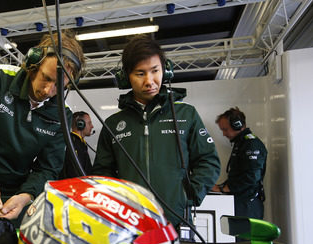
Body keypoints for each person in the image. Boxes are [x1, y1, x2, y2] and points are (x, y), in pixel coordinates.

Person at [92, 35, 220, 228]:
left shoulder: (186, 114)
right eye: (140, 73)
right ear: (126, 76)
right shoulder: (113, 124)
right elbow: (102, 174)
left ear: (165, 71)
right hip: (128, 225)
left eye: (155, 71)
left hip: (176, 222)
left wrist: (188, 195)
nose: (149, 81)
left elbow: (208, 161)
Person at [0, 31, 85, 223]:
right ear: (33, 64)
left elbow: (47, 169)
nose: (48, 91)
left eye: (59, 86)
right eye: (46, 78)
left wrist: (26, 196)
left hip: (14, 200)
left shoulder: (62, 115)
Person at [212, 107, 267, 219]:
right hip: (242, 203)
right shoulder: (242, 143)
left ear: (237, 125)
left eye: (225, 129)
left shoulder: (251, 144)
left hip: (248, 205)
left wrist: (225, 189)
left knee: (243, 236)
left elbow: (252, 177)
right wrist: (221, 186)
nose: (224, 134)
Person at [59, 111, 94, 178]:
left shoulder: (80, 143)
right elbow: (74, 172)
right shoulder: (73, 144)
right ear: (80, 124)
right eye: (89, 123)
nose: (92, 126)